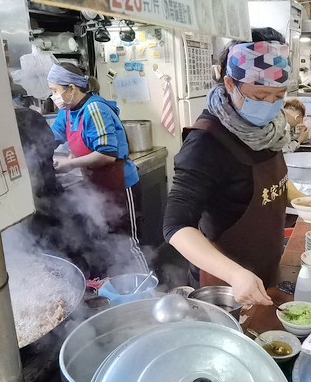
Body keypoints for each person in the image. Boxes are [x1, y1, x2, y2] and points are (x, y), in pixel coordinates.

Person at [163, 27, 295, 307]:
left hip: (266, 267)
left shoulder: (268, 129)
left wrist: (306, 200)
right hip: (225, 287)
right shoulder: (206, 142)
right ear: (230, 83)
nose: (271, 106)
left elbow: (273, 182)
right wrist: (235, 275)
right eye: (259, 97)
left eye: (279, 95)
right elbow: (176, 226)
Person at [47, 63, 147, 276]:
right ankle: (121, 289)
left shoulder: (94, 108)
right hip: (96, 185)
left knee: (127, 243)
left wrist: (69, 163)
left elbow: (107, 154)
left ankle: (146, 288)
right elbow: (50, 138)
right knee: (107, 243)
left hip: (121, 183)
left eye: (55, 91)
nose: (53, 96)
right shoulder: (67, 112)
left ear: (71, 88)